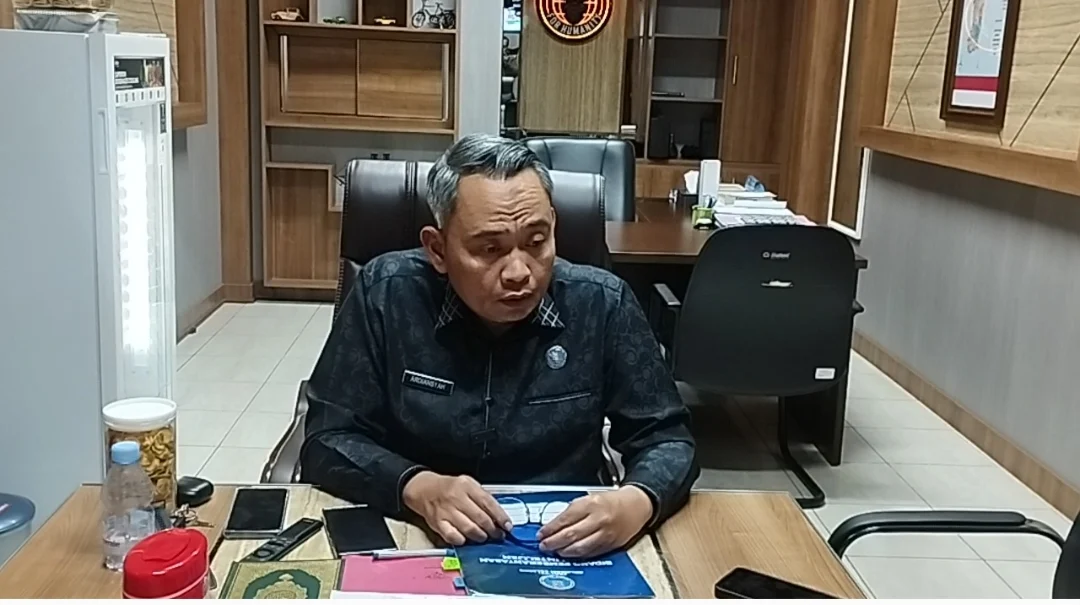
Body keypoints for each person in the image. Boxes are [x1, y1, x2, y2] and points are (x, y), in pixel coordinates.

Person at [300, 134, 698, 559]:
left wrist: (636, 502)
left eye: (536, 242)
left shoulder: (602, 303)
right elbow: (328, 437)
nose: (518, 272)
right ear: (438, 249)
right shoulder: (386, 294)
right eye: (490, 249)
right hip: (419, 532)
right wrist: (416, 486)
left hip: (564, 542)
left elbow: (667, 439)